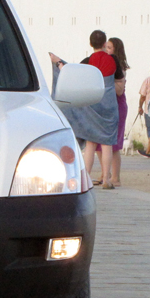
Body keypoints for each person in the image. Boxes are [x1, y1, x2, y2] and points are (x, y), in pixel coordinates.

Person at [49, 29, 120, 189]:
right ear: (104, 43)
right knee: (107, 142)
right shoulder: (113, 60)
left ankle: (86, 178)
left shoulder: (88, 61)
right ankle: (106, 180)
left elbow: (72, 72)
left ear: (90, 44)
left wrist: (59, 62)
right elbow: (119, 78)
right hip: (109, 104)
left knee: (91, 142)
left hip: (92, 102)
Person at [105, 37, 129, 186]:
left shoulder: (119, 67)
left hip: (117, 104)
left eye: (109, 47)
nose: (106, 50)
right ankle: (106, 174)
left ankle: (115, 177)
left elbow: (119, 90)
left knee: (114, 144)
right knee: (103, 144)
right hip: (109, 103)